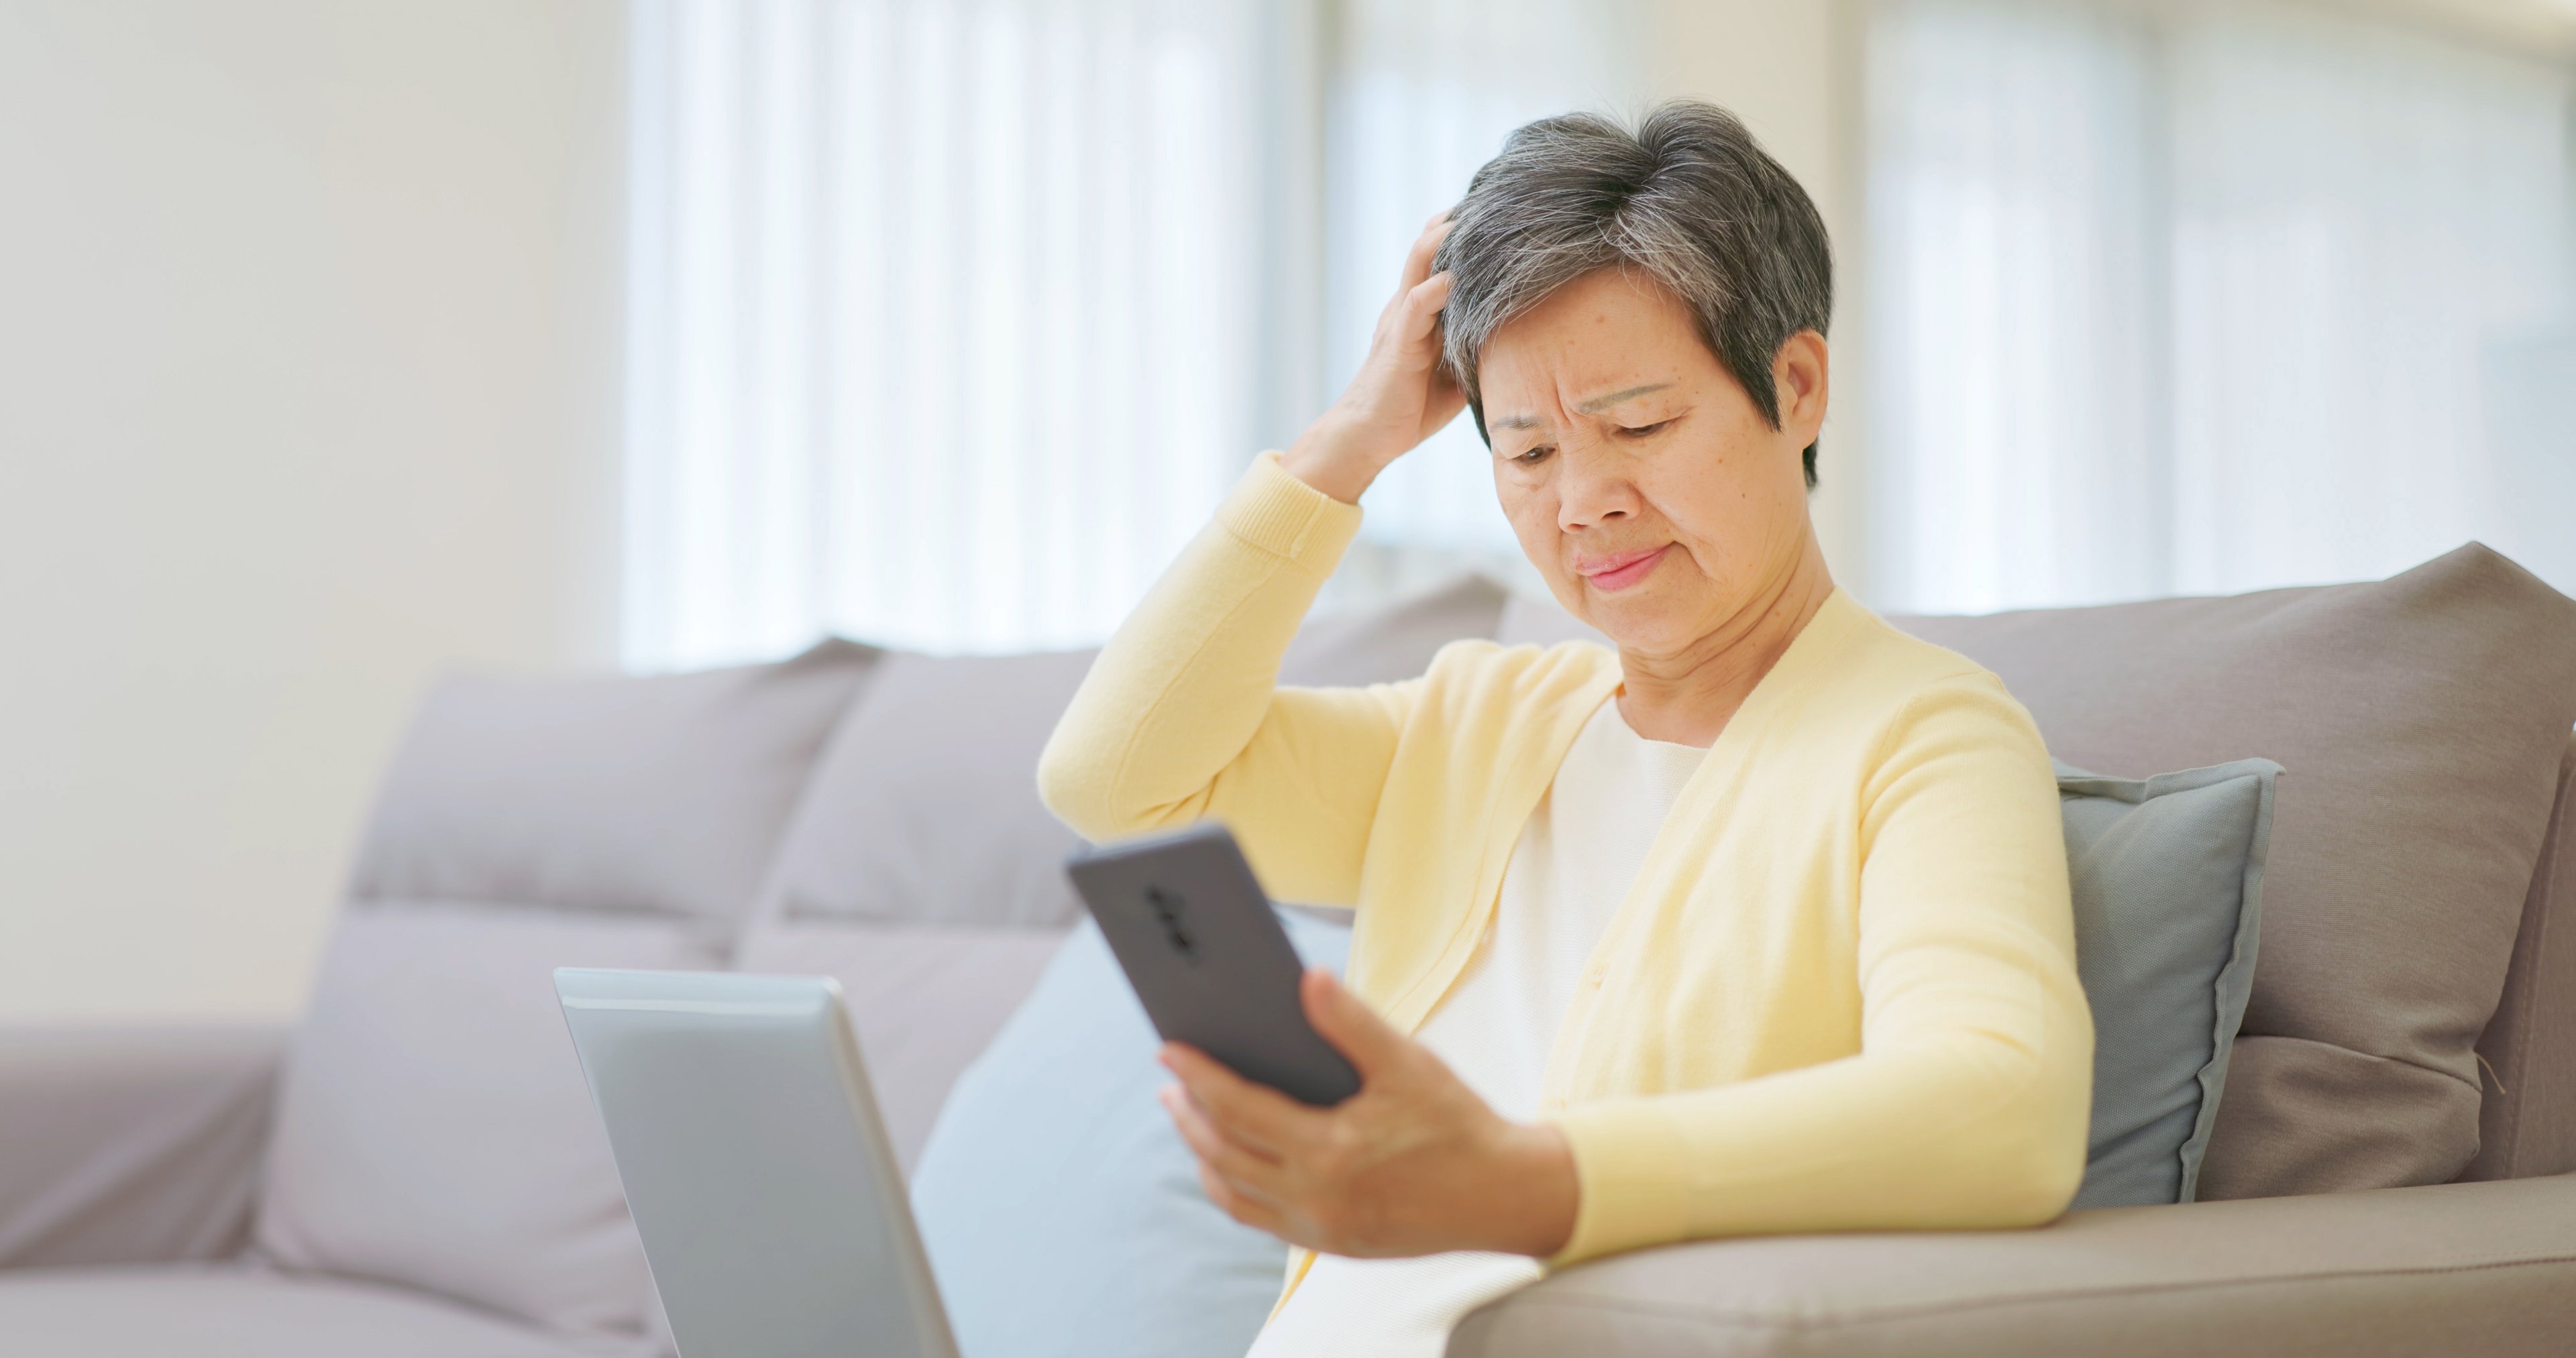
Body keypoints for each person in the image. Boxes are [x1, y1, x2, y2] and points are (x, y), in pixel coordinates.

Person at [1036, 101, 2092, 1358]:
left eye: (1640, 426)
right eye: (1527, 450)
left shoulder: (1924, 738)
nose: (1585, 503)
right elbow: (1115, 781)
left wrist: (1525, 1181)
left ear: (1795, 386)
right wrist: (1349, 443)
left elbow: (2002, 1109)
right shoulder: (1477, 723)